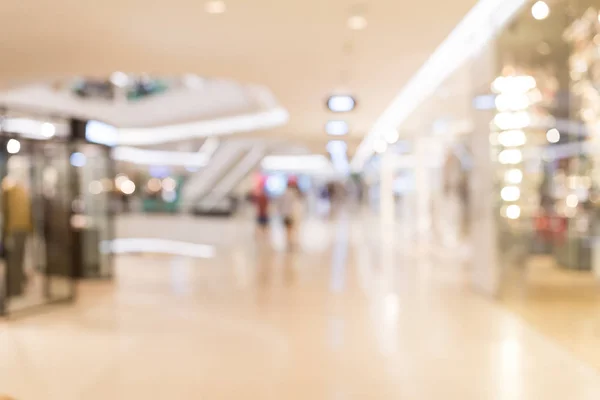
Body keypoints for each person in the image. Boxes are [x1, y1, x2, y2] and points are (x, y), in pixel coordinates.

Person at [278, 181, 303, 249]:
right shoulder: (293, 194)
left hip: (285, 214)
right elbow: (296, 205)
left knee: (287, 230)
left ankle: (288, 242)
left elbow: (280, 205)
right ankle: (291, 242)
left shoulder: (283, 194)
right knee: (292, 229)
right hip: (291, 214)